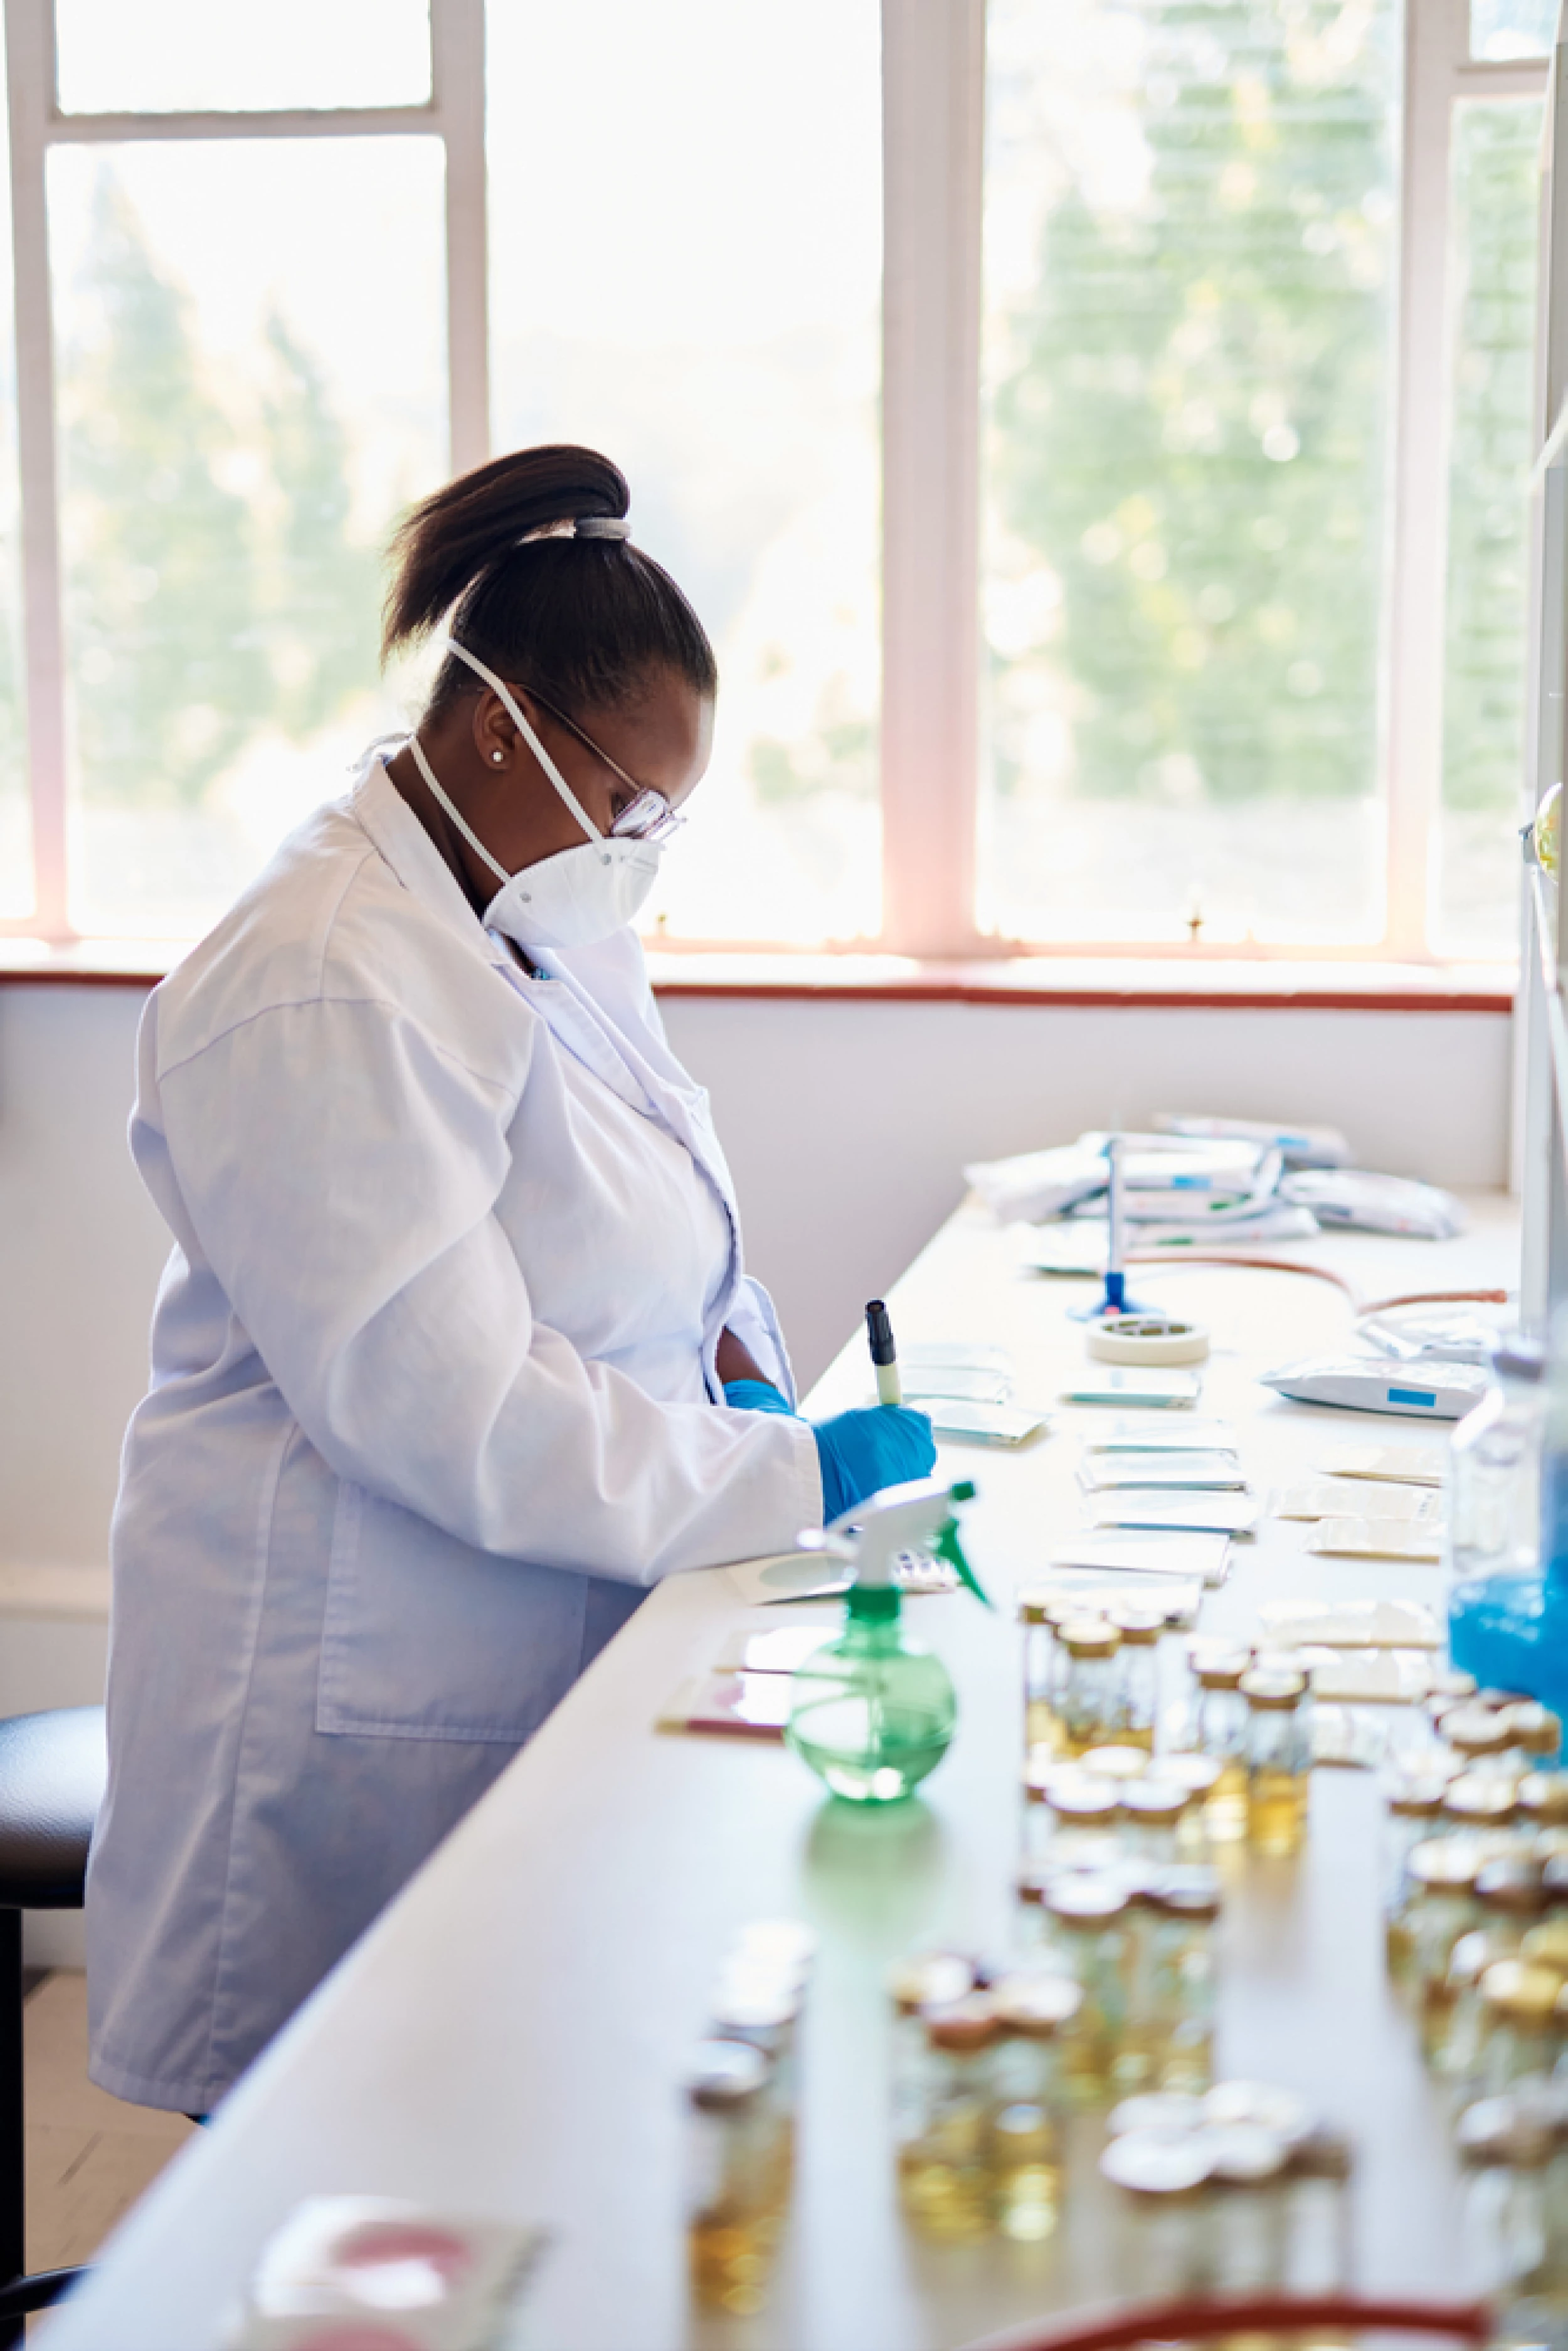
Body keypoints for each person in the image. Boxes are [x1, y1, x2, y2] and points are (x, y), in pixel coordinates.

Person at [85, 445, 935, 2116]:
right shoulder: (324, 975)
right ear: (496, 725)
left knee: (489, 2126)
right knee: (332, 2175)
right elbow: (447, 1401)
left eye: (662, 820)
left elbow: (656, 1178)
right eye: (628, 801)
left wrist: (736, 1363)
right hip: (338, 1679)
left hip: (510, 1622)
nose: (638, 850)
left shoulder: (534, 900)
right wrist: (777, 1473)